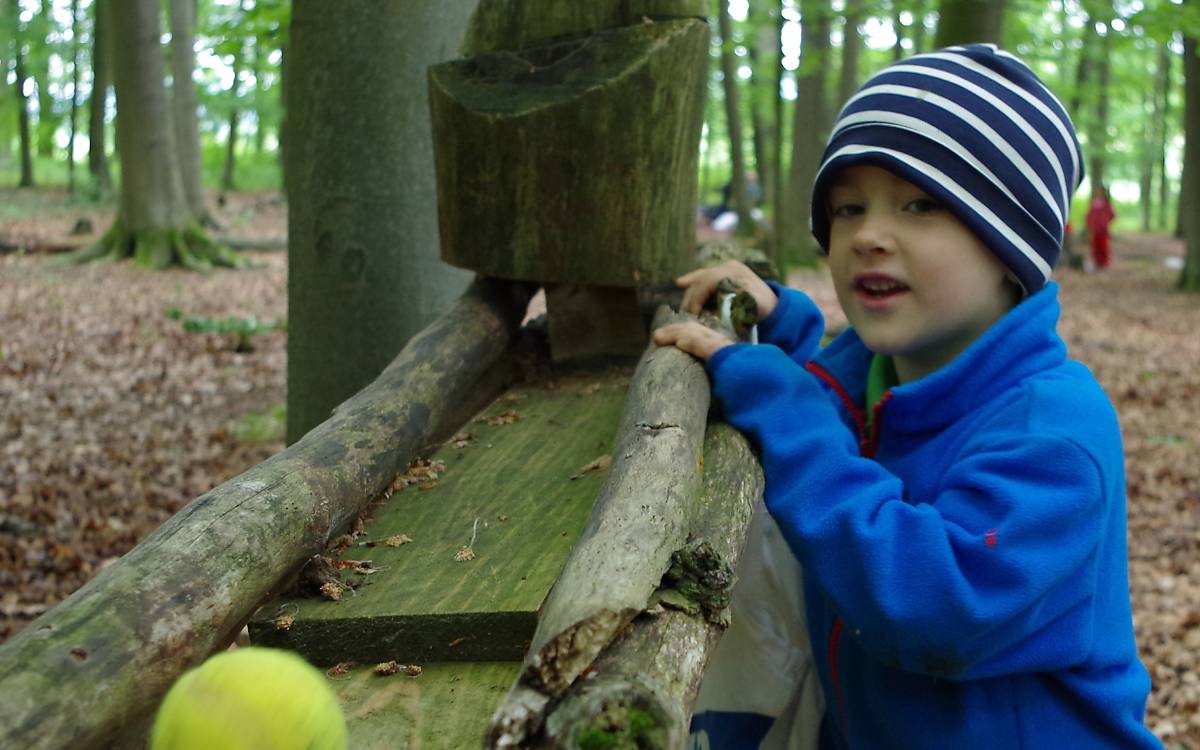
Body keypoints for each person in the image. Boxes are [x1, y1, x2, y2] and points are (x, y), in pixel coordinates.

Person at [658, 45, 1162, 749]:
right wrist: (784, 329)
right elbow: (848, 419)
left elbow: (932, 607)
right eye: (847, 207)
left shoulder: (1051, 432)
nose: (868, 235)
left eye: (921, 204)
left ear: (1009, 247)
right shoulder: (891, 373)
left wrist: (788, 408)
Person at [1087, 183, 1116, 269]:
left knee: (1103, 246)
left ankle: (1104, 262)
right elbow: (1089, 215)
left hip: (1103, 229)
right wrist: (1090, 223)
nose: (1099, 192)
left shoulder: (1106, 203)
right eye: (1098, 191)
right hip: (1095, 229)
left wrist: (1104, 221)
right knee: (1095, 246)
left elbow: (1112, 214)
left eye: (1100, 191)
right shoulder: (1094, 203)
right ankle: (1097, 262)